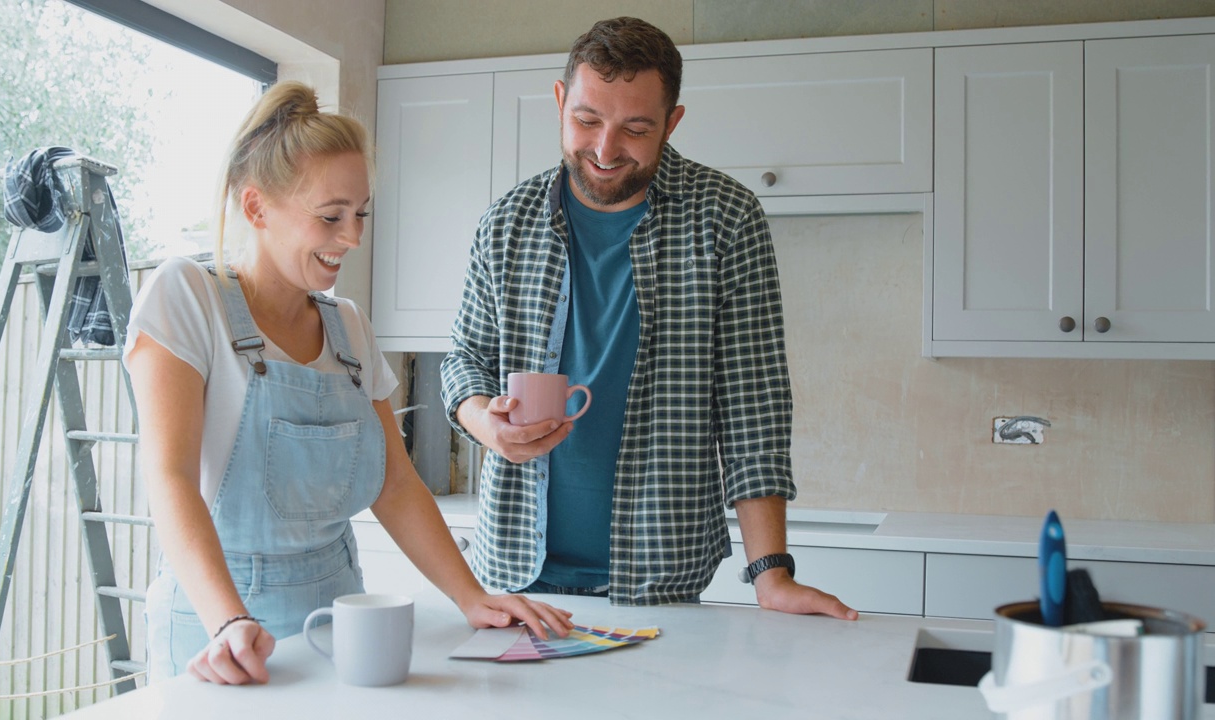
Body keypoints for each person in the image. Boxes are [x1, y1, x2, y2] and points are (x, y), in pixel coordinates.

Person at [125, 81, 572, 685]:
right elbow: (170, 477)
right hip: (217, 626)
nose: (354, 237)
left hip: (339, 619)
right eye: (330, 216)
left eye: (360, 213)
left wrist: (472, 597)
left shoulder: (350, 329)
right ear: (256, 208)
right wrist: (228, 621)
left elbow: (395, 482)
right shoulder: (186, 296)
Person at [440, 17, 856, 619]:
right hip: (514, 577)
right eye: (586, 121)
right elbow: (465, 360)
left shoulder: (726, 219)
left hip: (660, 581)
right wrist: (486, 425)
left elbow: (754, 404)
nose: (605, 151)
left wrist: (771, 573)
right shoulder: (505, 222)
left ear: (672, 122)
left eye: (635, 129)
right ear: (560, 102)